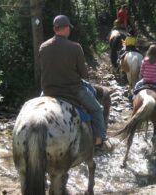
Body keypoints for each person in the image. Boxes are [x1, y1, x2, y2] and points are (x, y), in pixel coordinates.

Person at [39, 15, 106, 146]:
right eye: (69, 28)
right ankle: (99, 140)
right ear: (67, 28)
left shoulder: (43, 47)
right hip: (72, 90)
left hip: (48, 90)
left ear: (54, 29)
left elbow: (44, 70)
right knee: (97, 109)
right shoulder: (75, 47)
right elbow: (83, 74)